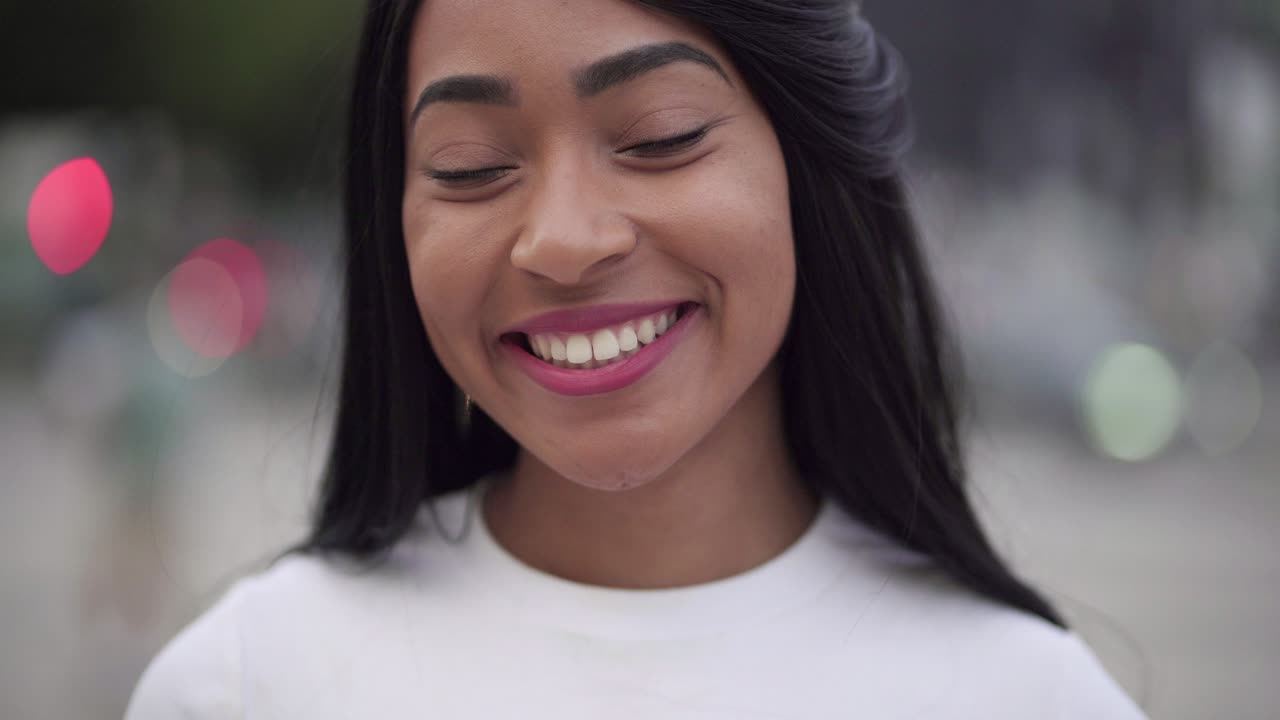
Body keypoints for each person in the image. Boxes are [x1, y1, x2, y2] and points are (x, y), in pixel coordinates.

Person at [126, 0, 1148, 717]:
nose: (563, 240)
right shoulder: (245, 687)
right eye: (471, 168)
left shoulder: (1025, 698)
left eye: (659, 137)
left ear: (805, 165)